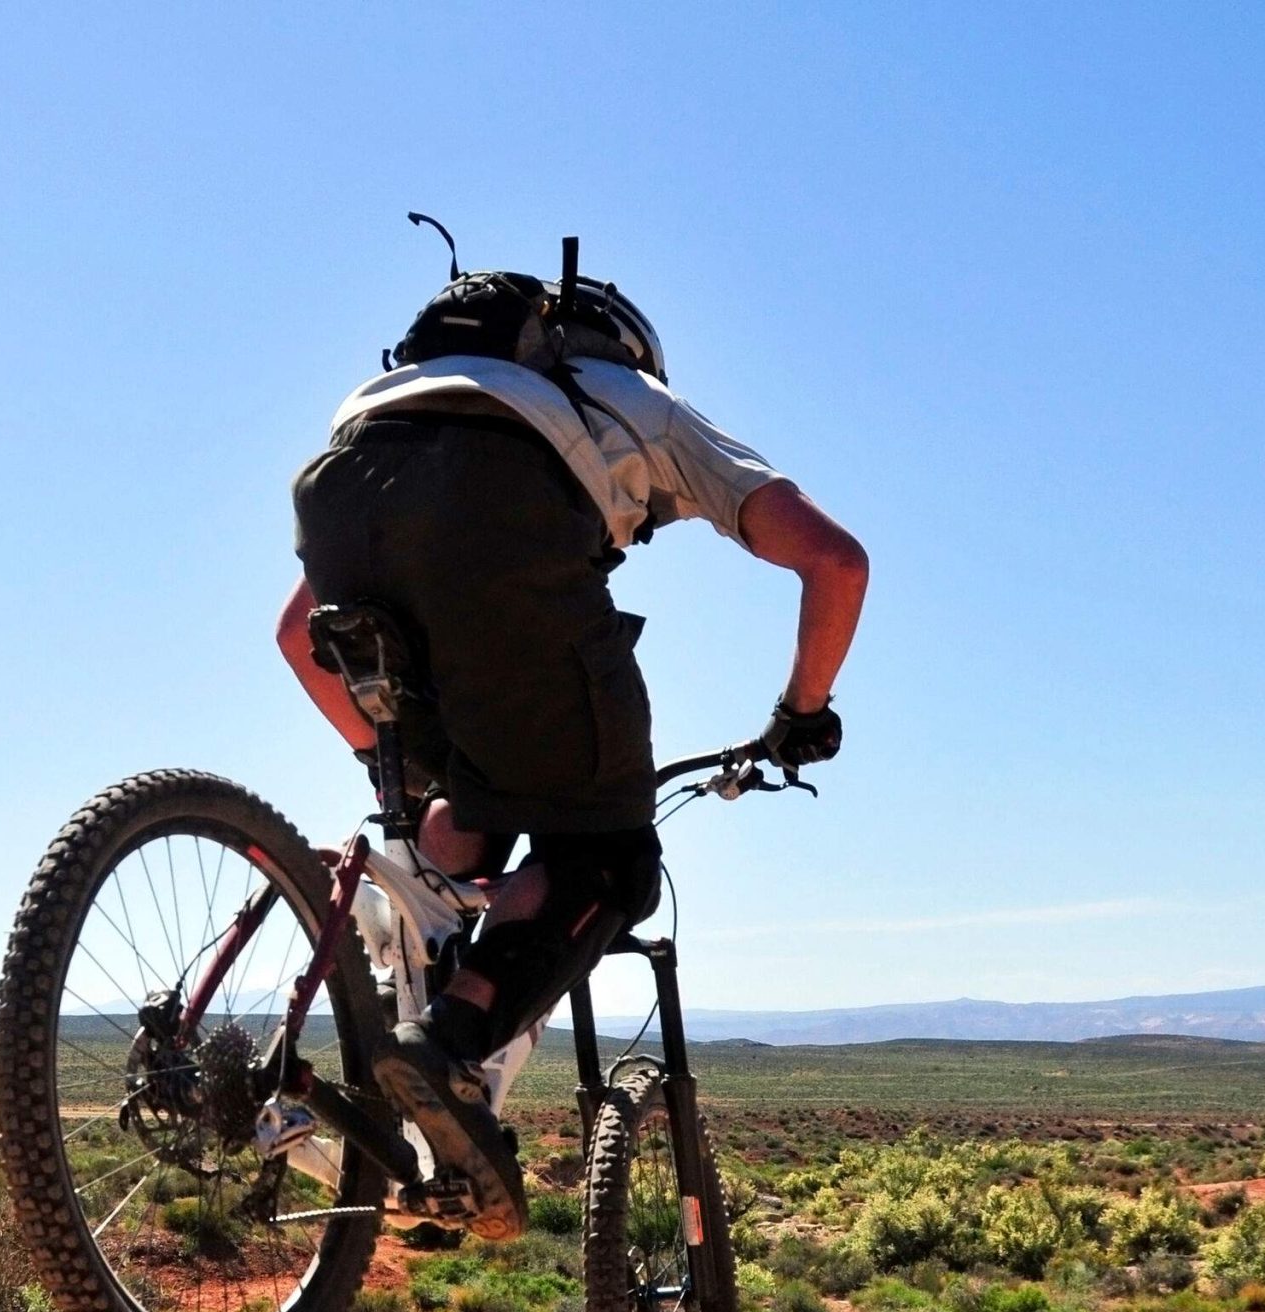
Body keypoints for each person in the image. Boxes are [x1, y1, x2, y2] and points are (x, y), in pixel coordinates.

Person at [276, 244, 867, 1239]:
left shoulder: (412, 393)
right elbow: (834, 562)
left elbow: (300, 638)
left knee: (465, 805)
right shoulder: (631, 401)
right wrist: (801, 714)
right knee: (605, 852)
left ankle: (394, 1085)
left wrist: (400, 771)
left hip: (335, 487)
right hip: (494, 526)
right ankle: (448, 1048)